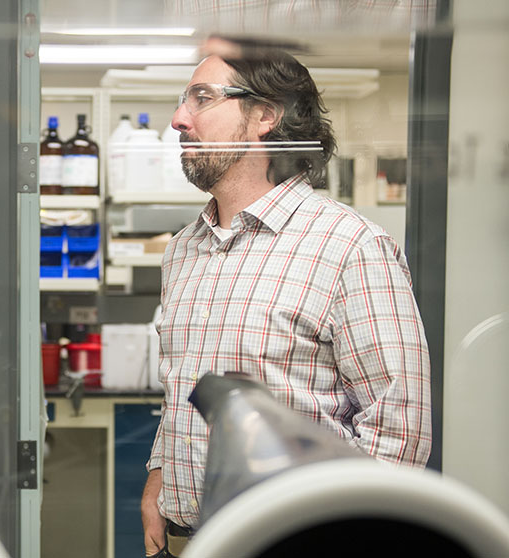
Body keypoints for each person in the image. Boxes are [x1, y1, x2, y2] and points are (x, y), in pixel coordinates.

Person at [141, 41, 431, 557]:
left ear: (265, 117)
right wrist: (160, 474)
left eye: (201, 98)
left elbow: (398, 432)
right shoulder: (185, 248)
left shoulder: (351, 246)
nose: (178, 119)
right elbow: (182, 389)